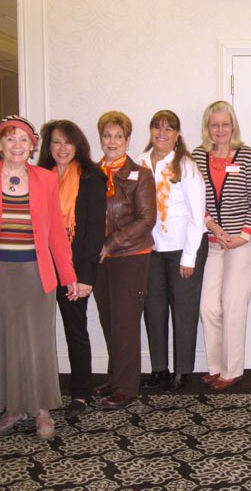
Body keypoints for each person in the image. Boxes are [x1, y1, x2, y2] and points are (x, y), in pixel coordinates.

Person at [0, 115, 77, 440]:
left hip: (35, 276)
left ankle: (41, 410)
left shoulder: (45, 179)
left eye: (23, 140)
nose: (17, 145)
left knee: (36, 344)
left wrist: (68, 276)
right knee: (3, 344)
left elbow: (55, 233)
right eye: (10, 139)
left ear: (32, 146)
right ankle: (13, 407)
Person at [37, 120, 107, 417]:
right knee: (36, 333)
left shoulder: (92, 177)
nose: (62, 148)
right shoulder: (38, 177)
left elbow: (94, 231)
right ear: (47, 147)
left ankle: (81, 393)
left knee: (75, 330)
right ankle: (36, 391)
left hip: (73, 268)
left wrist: (85, 276)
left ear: (78, 145)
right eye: (55, 142)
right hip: (39, 266)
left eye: (68, 142)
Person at [192, 101, 251, 390]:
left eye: (225, 124)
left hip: (244, 242)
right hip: (213, 241)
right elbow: (195, 200)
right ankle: (216, 366)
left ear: (233, 125)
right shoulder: (197, 155)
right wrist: (213, 227)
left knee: (233, 303)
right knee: (208, 305)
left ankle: (233, 369)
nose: (220, 130)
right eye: (214, 124)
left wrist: (242, 235)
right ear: (208, 128)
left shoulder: (247, 155)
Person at [139, 110, 206, 392]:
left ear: (177, 134)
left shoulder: (186, 165)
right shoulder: (140, 163)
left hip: (182, 249)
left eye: (169, 128)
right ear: (151, 130)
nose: (162, 133)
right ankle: (159, 368)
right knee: (153, 308)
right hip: (150, 249)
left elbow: (197, 215)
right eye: (157, 127)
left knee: (183, 310)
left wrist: (189, 256)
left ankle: (182, 370)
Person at [94, 111, 156, 408]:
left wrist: (112, 243)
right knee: (108, 320)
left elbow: (147, 220)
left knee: (125, 322)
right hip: (100, 259)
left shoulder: (141, 174)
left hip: (131, 255)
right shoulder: (91, 174)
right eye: (107, 135)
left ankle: (127, 388)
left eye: (119, 136)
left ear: (128, 140)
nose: (112, 141)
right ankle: (115, 377)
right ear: (101, 139)